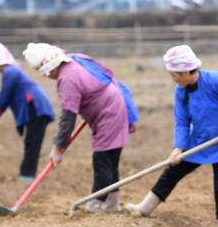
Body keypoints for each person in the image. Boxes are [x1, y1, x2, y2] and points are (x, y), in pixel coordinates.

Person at [126, 45, 218, 227]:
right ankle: (145, 208)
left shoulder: (216, 80)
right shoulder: (180, 92)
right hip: (199, 141)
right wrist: (178, 147)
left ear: (185, 72)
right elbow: (182, 122)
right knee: (171, 171)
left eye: (174, 75)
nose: (173, 79)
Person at [22, 43, 136, 212]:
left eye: (44, 72)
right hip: (115, 104)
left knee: (102, 160)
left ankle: (95, 204)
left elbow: (68, 117)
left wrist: (58, 147)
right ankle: (112, 204)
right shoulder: (76, 59)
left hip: (108, 113)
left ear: (50, 66)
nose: (46, 76)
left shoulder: (66, 79)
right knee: (111, 160)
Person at [0, 41, 55, 182]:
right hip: (35, 108)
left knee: (32, 143)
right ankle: (27, 175)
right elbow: (4, 99)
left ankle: (27, 176)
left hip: (35, 107)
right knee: (31, 142)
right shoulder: (12, 71)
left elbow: (4, 98)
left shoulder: (10, 72)